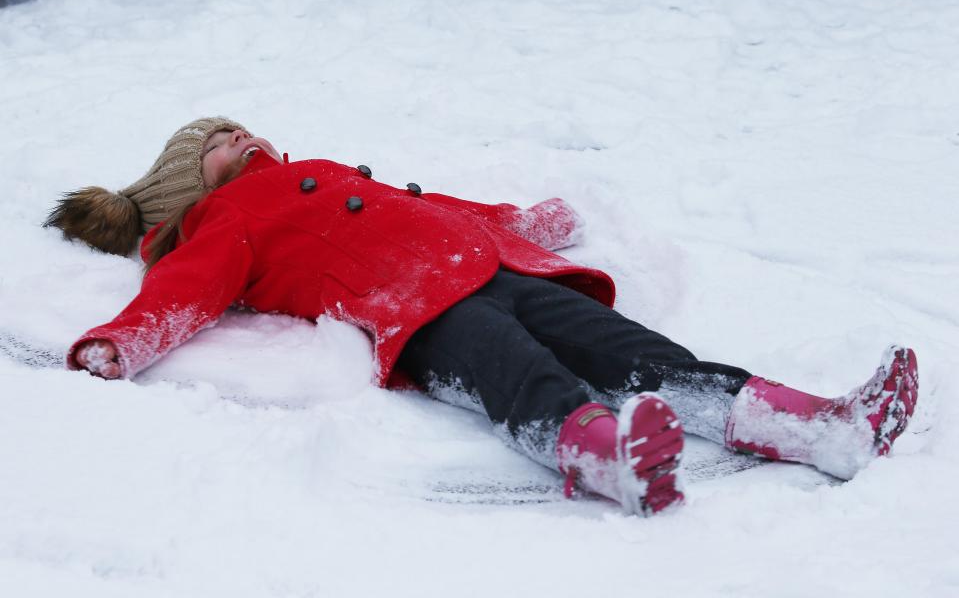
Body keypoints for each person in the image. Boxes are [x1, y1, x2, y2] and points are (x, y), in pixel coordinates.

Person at [45, 117, 919, 516]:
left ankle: (814, 429)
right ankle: (600, 454)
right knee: (511, 369)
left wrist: (517, 225)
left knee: (635, 350)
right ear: (189, 183)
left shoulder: (321, 167)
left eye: (237, 128)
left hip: (486, 263)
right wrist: (123, 343)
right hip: (410, 304)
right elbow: (182, 291)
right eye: (216, 142)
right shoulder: (217, 221)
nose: (239, 135)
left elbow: (432, 206)